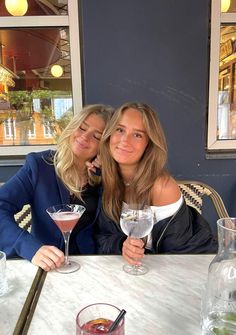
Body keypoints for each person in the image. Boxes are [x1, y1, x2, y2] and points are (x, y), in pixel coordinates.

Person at [95, 102, 217, 265]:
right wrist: (121, 245)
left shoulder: (161, 187)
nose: (125, 140)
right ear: (109, 134)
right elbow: (102, 236)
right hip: (141, 268)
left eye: (137, 135)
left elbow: (179, 256)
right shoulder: (109, 178)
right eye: (120, 130)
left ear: (149, 145)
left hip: (194, 264)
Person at [0, 104, 114, 271]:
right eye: (82, 128)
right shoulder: (39, 166)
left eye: (97, 136)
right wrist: (29, 247)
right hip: (46, 267)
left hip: (93, 267)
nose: (85, 137)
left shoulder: (104, 177)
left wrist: (109, 176)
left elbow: (115, 228)